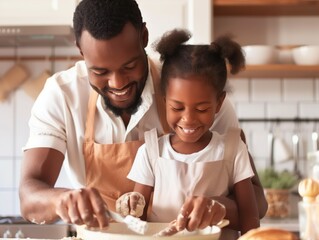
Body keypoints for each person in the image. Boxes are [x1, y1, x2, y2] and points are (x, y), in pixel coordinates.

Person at [19, 0, 267, 231]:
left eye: (129, 66)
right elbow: (29, 196)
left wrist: (218, 206)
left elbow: (258, 204)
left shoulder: (190, 88)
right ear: (81, 51)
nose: (117, 84)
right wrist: (62, 200)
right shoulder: (62, 95)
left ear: (144, 37)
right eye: (100, 71)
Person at [115, 29, 260, 238]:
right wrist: (130, 204)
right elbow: (136, 221)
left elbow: (250, 217)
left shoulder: (233, 149)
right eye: (177, 108)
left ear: (219, 103)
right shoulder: (151, 151)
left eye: (201, 109)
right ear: (165, 100)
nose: (189, 119)